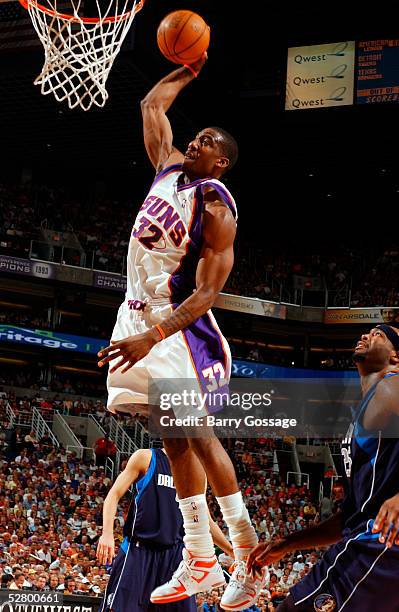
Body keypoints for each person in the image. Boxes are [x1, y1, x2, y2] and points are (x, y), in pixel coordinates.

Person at [97, 54, 265, 609]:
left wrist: (154, 336)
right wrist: (189, 68)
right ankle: (199, 558)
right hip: (137, 314)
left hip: (179, 330)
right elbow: (151, 105)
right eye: (196, 136)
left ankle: (244, 552)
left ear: (222, 163)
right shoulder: (166, 168)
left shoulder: (218, 209)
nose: (196, 141)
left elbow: (207, 294)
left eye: (208, 141)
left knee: (196, 435)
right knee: (171, 439)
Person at [247, 323, 399, 611]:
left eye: (379, 334)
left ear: (396, 357)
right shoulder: (368, 406)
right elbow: (348, 518)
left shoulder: (391, 385)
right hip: (374, 545)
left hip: (379, 546)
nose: (366, 335)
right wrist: (287, 544)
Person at [97, 447, 233, 612]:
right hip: (139, 551)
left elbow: (204, 519)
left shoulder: (197, 471)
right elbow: (114, 494)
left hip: (175, 557)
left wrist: (232, 551)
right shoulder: (146, 457)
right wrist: (107, 534)